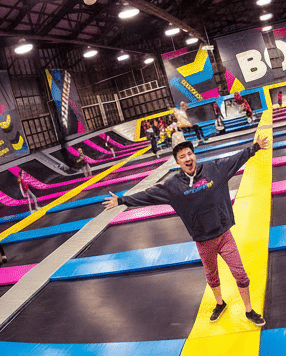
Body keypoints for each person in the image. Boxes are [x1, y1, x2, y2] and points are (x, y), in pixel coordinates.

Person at [102, 137, 271, 326]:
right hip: (203, 241)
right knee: (212, 276)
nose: (187, 158)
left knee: (240, 273)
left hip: (224, 235)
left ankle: (249, 311)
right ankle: (219, 303)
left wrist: (254, 147)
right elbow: (148, 195)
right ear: (177, 162)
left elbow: (235, 159)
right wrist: (123, 200)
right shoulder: (172, 186)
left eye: (190, 154)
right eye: (182, 156)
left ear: (194, 155)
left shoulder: (214, 169)